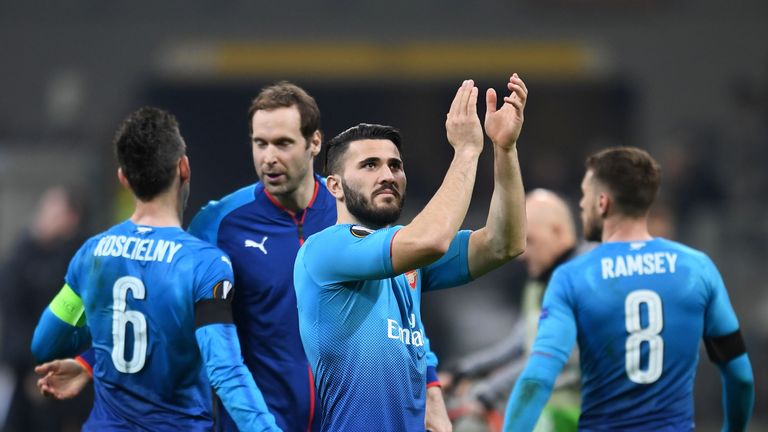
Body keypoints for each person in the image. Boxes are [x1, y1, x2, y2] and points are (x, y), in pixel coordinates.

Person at [34, 82, 453, 431]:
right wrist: (90, 363)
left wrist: (430, 384)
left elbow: (402, 306)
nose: (269, 157)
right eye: (260, 143)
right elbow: (165, 309)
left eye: (283, 143)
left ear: (314, 144)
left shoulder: (353, 206)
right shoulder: (219, 224)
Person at [294, 75, 528, 430]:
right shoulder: (325, 250)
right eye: (369, 165)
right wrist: (466, 151)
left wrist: (505, 150)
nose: (387, 174)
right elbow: (430, 240)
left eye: (395, 165)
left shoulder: (408, 259)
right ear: (335, 187)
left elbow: (503, 243)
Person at [30, 107, 280, 431]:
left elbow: (45, 344)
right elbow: (224, 369)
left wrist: (95, 354)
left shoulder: (91, 254)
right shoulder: (204, 264)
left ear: (123, 178)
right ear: (184, 168)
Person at [503, 147, 755, 431]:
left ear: (602, 203)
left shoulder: (572, 277)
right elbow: (740, 376)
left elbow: (537, 379)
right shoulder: (697, 269)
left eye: (585, 195)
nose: (581, 205)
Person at [444, 189, 588, 432]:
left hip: (580, 410)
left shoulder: (587, 279)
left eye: (529, 240)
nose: (521, 253)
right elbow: (521, 343)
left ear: (558, 231)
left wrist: (487, 394)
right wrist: (462, 371)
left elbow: (555, 360)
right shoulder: (537, 284)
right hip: (546, 405)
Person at [0, 186, 90, 432]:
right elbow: (13, 306)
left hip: (66, 374)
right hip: (26, 372)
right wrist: (31, 368)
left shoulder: (79, 261)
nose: (44, 217)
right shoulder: (25, 254)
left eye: (54, 210)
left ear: (72, 217)